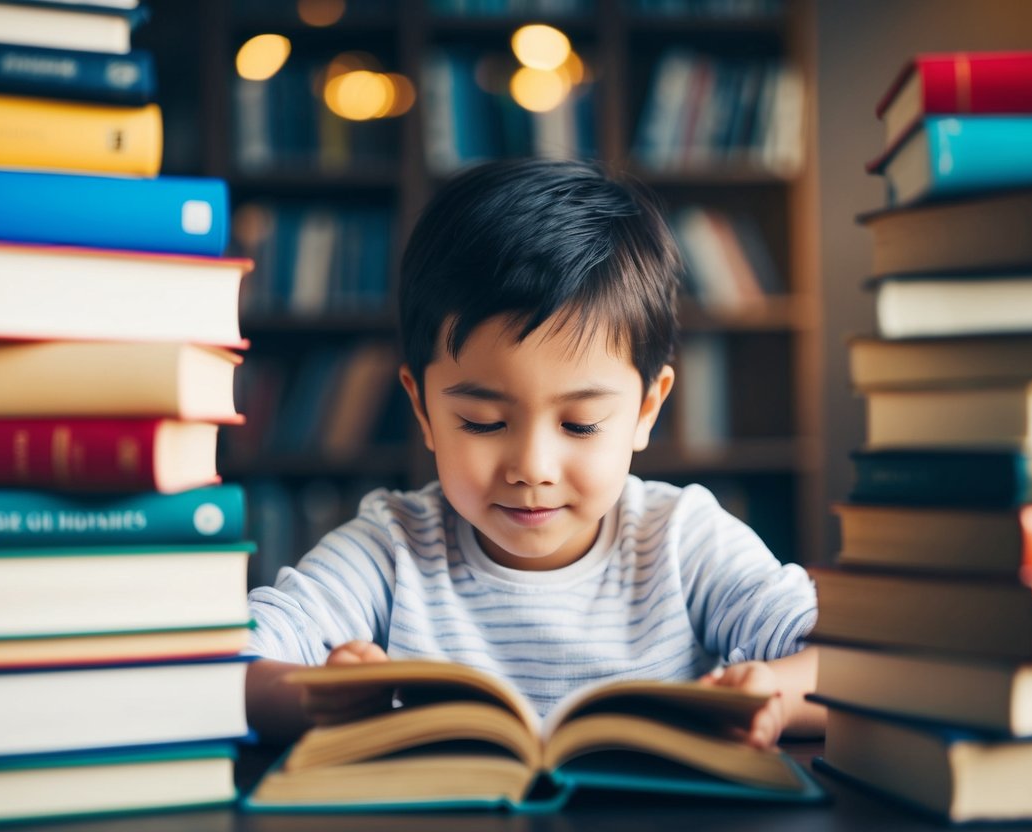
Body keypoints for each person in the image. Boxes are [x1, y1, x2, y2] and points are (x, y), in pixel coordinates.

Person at [245, 158, 824, 749]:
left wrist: (773, 696)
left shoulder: (683, 540)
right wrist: (315, 698)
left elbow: (850, 668)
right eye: (483, 422)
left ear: (646, 410)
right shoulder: (390, 549)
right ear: (422, 410)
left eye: (580, 424)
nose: (532, 468)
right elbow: (237, 665)